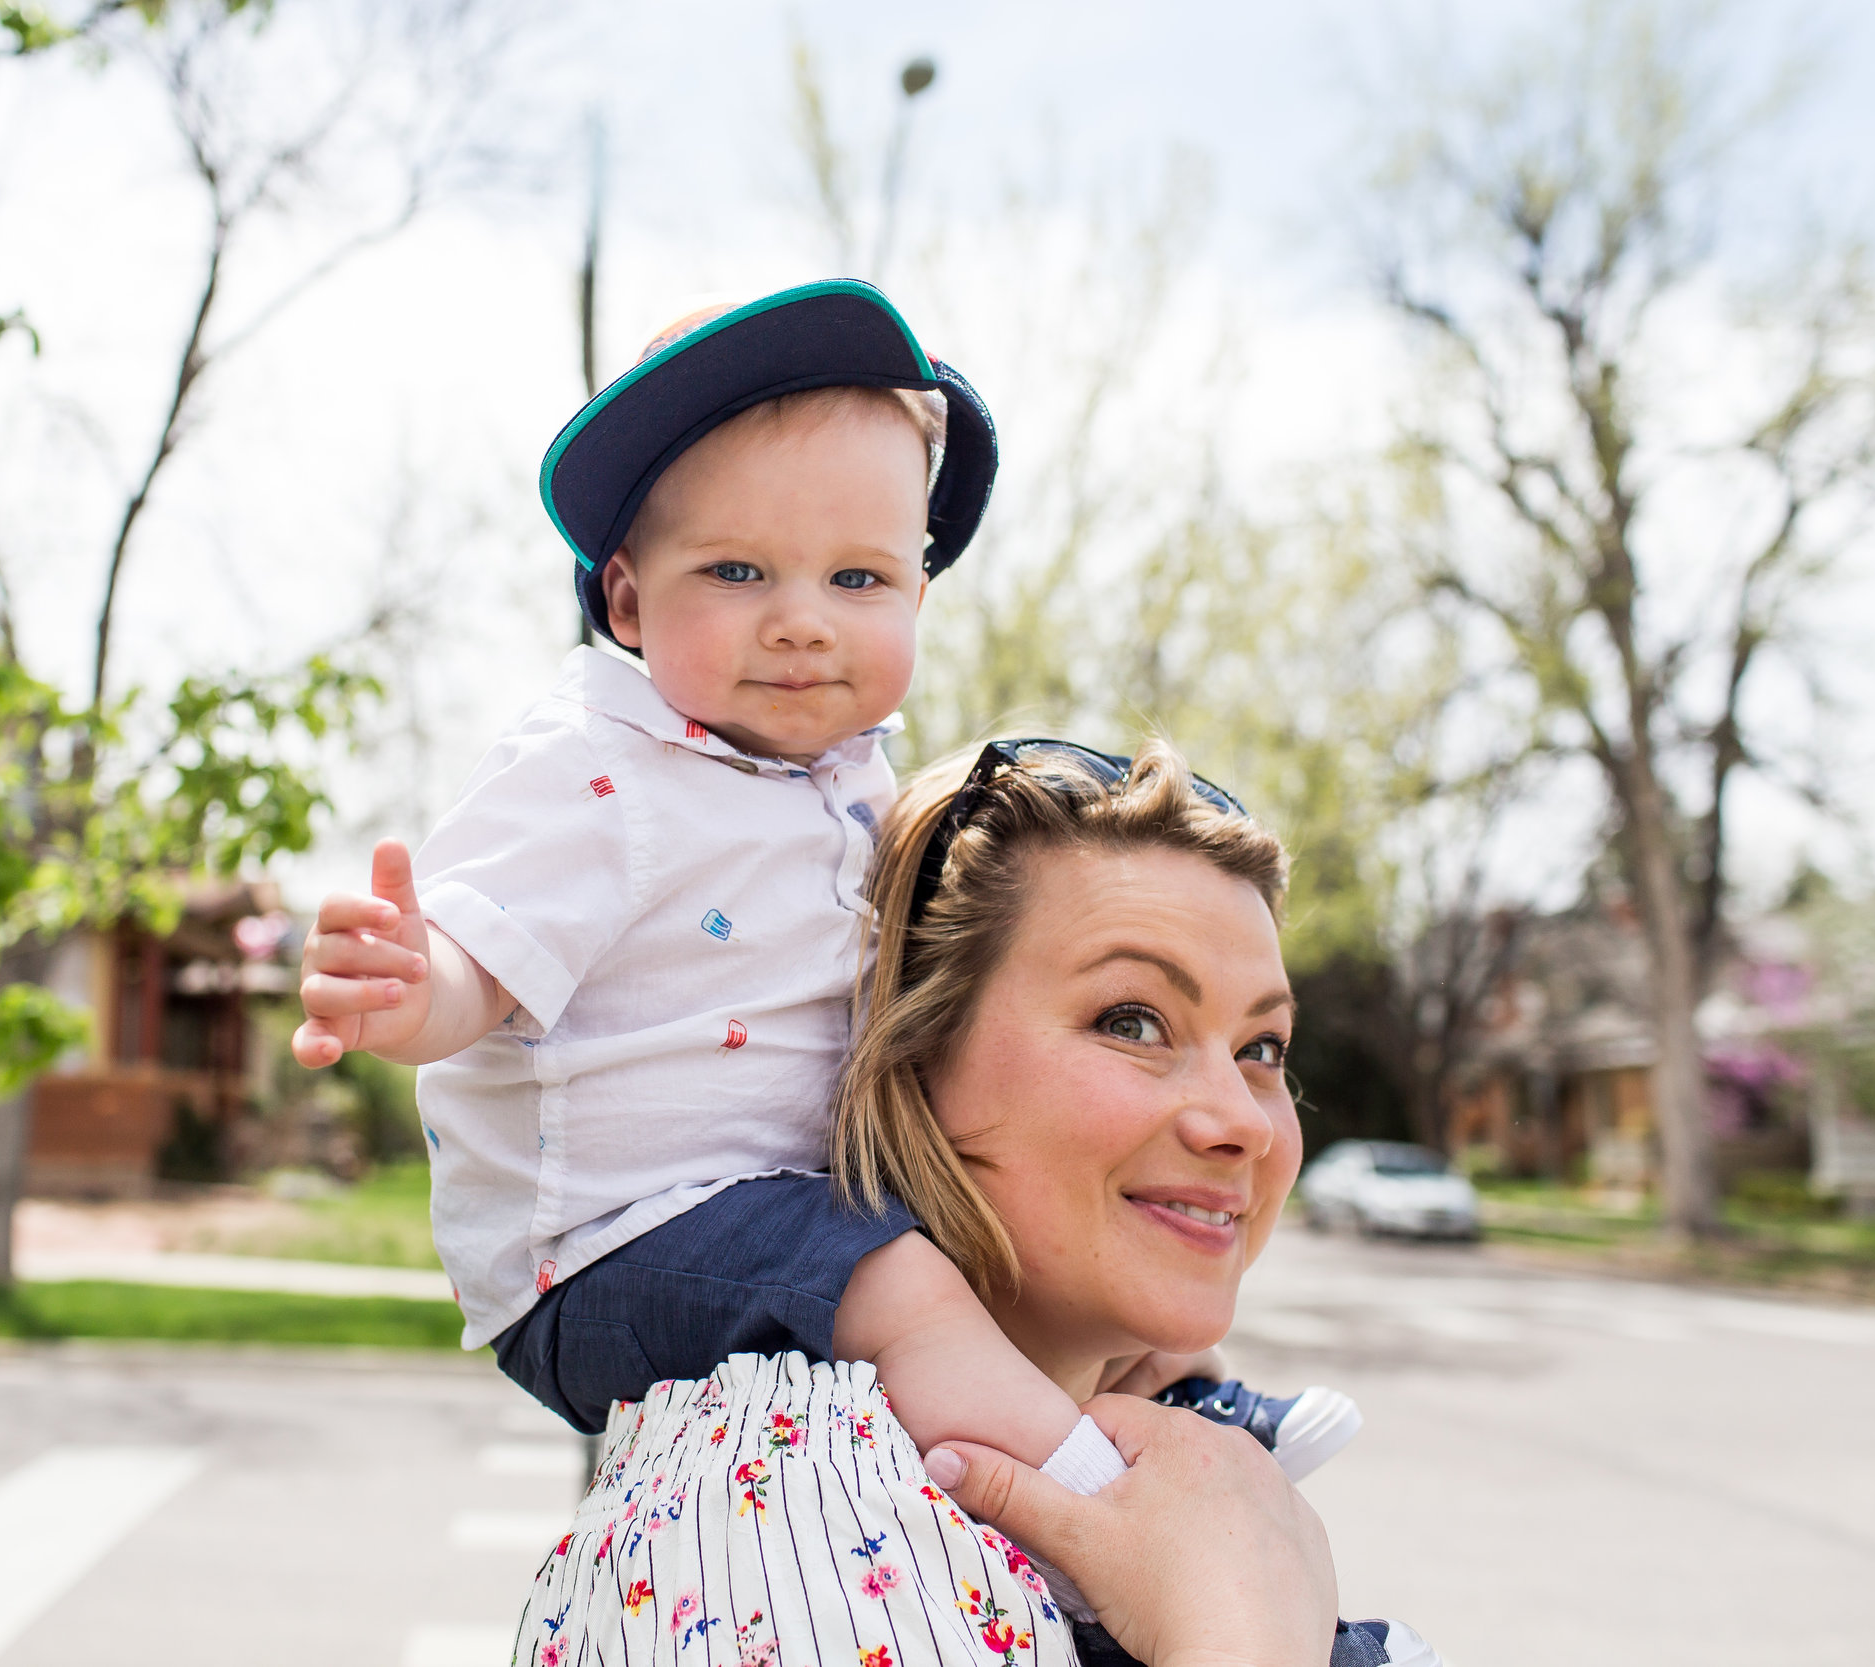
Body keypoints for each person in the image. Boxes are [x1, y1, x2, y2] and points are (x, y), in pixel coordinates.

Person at [290, 281, 1351, 1603]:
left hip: (770, 1202)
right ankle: (1099, 1498)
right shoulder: (602, 771)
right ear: (626, 599)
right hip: (611, 1244)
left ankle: (1191, 1417)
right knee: (905, 1286)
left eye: (859, 577)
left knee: (985, 1267)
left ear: (918, 586)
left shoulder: (851, 785)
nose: (802, 618)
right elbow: (480, 956)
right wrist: (412, 987)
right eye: (737, 570)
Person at [510, 741, 1438, 1665]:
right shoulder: (792, 1511)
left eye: (1263, 1048)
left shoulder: (1186, 1489)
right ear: (911, 1067)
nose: (1246, 1122)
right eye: (1132, 1021)